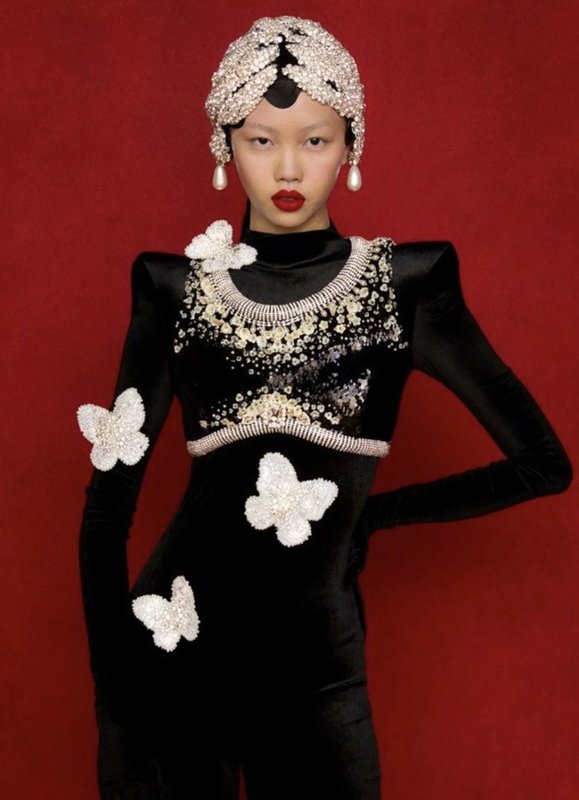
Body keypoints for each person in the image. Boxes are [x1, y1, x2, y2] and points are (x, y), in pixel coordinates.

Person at [76, 16, 572, 800]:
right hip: (172, 656)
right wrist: (113, 686)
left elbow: (543, 465)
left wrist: (372, 516)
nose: (287, 167)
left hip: (318, 675)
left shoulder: (406, 286)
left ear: (350, 146)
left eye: (314, 140)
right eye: (259, 140)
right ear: (224, 146)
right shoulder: (173, 290)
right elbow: (107, 513)